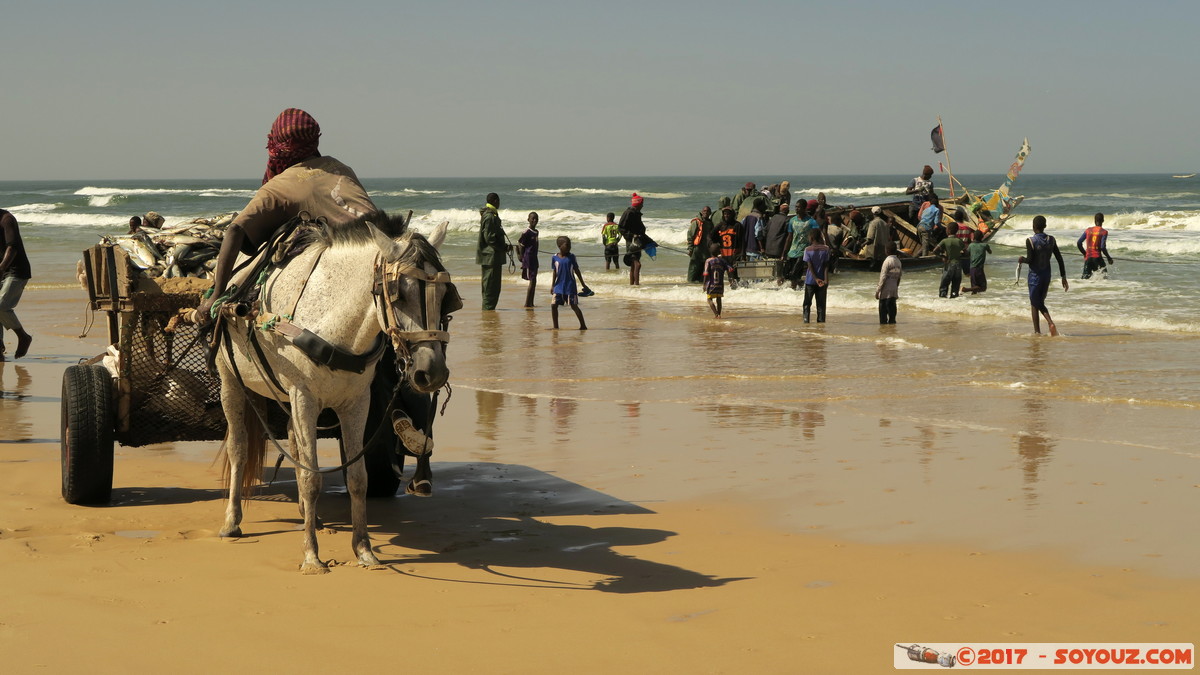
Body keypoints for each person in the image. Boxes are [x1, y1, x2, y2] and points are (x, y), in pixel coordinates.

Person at [197, 108, 379, 320]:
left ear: (276, 147)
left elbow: (236, 229)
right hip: (386, 247)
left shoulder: (278, 187)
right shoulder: (340, 167)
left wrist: (217, 295)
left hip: (351, 262)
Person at [1018, 215, 1069, 335]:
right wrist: (1063, 276)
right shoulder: (1051, 239)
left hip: (1035, 277)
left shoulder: (1030, 241)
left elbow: (1030, 260)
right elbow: (1059, 258)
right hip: (1047, 275)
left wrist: (1022, 259)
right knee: (1039, 301)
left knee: (1035, 303)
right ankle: (1042, 328)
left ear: (1033, 227)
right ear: (1045, 226)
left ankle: (1043, 327)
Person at [0, 208, 33, 360]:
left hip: (16, 270)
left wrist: (1, 268)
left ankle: (23, 337)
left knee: (1, 305)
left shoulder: (7, 219)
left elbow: (12, 247)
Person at [550, 236, 587, 330]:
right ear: (559, 246)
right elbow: (555, 271)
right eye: (567, 245)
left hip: (570, 286)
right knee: (554, 305)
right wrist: (552, 285)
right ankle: (556, 327)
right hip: (558, 286)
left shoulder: (572, 257)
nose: (569, 247)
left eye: (570, 245)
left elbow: (577, 270)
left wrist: (583, 284)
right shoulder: (554, 257)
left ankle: (583, 325)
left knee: (574, 306)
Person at [477, 192, 506, 310]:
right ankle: (488, 315)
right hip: (491, 257)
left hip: (491, 257)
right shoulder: (490, 217)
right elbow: (489, 238)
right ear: (495, 201)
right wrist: (503, 247)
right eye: (498, 201)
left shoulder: (491, 215)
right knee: (491, 288)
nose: (499, 203)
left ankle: (488, 312)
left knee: (491, 287)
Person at [781, 199, 815, 289]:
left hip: (803, 252)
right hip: (792, 251)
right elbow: (789, 237)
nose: (796, 209)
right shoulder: (792, 221)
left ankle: (794, 292)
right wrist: (784, 253)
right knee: (785, 274)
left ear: (804, 208)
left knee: (794, 274)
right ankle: (801, 285)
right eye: (796, 207)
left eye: (799, 207)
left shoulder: (811, 221)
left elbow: (816, 236)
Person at [802, 229, 830, 323]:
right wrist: (826, 279)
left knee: (807, 303)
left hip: (810, 280)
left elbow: (809, 265)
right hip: (822, 280)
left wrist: (815, 278)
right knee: (821, 305)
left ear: (811, 237)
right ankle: (821, 323)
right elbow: (826, 265)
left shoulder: (807, 250)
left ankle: (806, 322)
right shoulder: (826, 249)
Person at [618, 193, 646, 286]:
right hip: (631, 242)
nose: (642, 205)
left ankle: (632, 286)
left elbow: (641, 231)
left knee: (634, 265)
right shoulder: (628, 213)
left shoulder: (637, 214)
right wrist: (631, 235)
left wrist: (651, 242)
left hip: (638, 242)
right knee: (637, 264)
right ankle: (637, 286)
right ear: (638, 204)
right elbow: (621, 228)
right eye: (642, 204)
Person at [932, 221, 965, 298]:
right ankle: (953, 301)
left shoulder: (945, 241)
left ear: (949, 230)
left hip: (949, 265)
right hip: (958, 266)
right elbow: (966, 252)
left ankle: (943, 303)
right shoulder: (959, 241)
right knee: (955, 287)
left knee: (944, 286)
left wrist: (943, 256)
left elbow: (935, 251)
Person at [1076, 212, 1114, 279]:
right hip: (1098, 258)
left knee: (1084, 280)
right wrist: (1109, 258)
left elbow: (1079, 243)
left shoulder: (1088, 230)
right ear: (1103, 220)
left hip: (1088, 258)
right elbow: (1102, 247)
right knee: (1104, 279)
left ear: (1094, 220)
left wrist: (1085, 253)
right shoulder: (1104, 232)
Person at [713, 206, 742, 287]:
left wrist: (742, 254)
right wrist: (715, 248)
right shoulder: (720, 226)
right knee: (720, 276)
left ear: (732, 215)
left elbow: (742, 241)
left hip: (734, 255)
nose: (726, 215)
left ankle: (735, 291)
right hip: (723, 255)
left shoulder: (737, 225)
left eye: (728, 214)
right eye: (725, 214)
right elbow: (711, 236)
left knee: (734, 275)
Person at [702, 243, 732, 319]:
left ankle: (716, 314)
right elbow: (730, 269)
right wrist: (730, 279)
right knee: (719, 299)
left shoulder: (708, 261)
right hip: (720, 285)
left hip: (711, 284)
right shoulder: (722, 261)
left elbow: (705, 273)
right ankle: (719, 313)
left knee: (709, 299)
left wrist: (704, 284)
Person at [875, 239, 902, 324]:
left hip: (885, 292)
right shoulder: (898, 262)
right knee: (892, 317)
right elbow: (899, 277)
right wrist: (896, 287)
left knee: (883, 319)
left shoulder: (887, 261)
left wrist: (878, 291)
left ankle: (884, 333)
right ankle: (891, 333)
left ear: (887, 251)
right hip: (893, 291)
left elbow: (883, 278)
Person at [517, 212, 540, 308]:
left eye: (536, 218)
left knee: (534, 281)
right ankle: (527, 303)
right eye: (532, 218)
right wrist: (520, 256)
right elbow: (520, 244)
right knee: (532, 280)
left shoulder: (536, 232)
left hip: (534, 258)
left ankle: (531, 302)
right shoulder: (526, 232)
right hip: (528, 259)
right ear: (528, 220)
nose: (534, 220)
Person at [686, 206, 713, 283]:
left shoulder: (710, 223)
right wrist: (690, 248)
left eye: (708, 211)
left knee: (703, 269)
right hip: (697, 249)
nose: (706, 213)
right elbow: (690, 235)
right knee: (693, 268)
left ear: (710, 213)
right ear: (701, 212)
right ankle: (690, 283)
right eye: (704, 211)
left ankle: (699, 285)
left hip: (706, 250)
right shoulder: (696, 222)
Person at [965, 229, 992, 294]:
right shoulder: (984, 245)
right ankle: (966, 289)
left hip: (972, 269)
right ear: (982, 237)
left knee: (974, 288)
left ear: (973, 237)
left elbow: (967, 254)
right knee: (983, 287)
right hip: (979, 269)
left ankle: (973, 301)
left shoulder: (971, 245)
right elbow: (990, 252)